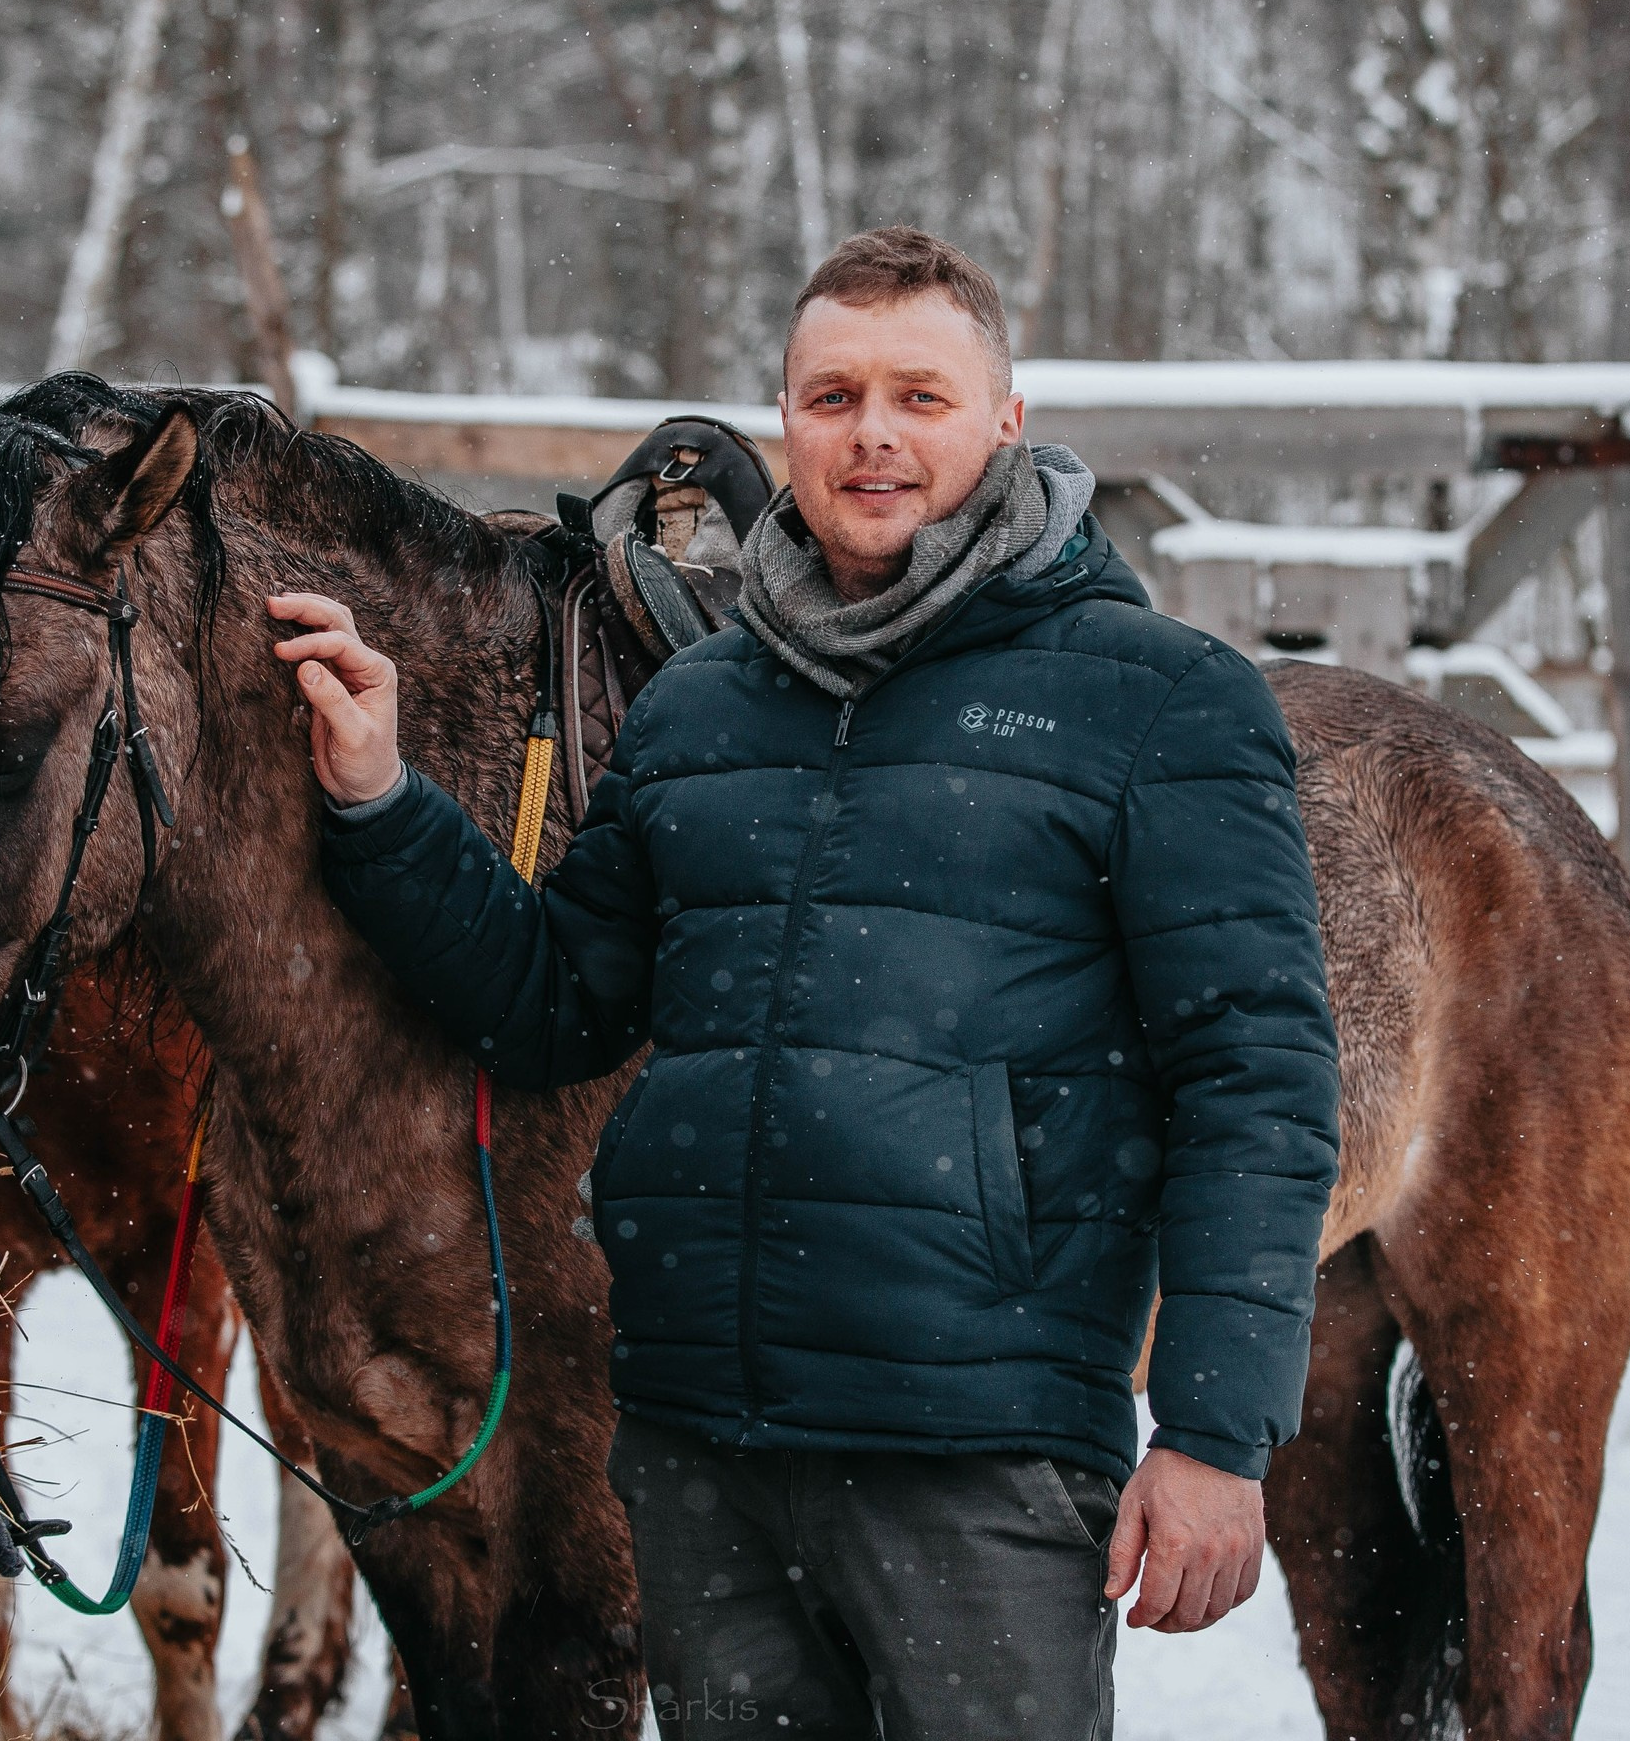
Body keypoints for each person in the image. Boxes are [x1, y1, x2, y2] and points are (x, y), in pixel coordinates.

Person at [277, 228, 1339, 1739]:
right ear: (785, 422)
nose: (876, 434)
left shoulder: (1156, 699)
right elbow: (557, 1000)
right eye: (834, 396)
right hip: (708, 1453)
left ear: (1007, 422)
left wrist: (1222, 1433)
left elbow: (1259, 1077)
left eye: (922, 394)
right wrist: (382, 799)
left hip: (979, 1453)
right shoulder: (703, 705)